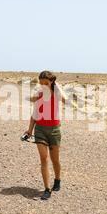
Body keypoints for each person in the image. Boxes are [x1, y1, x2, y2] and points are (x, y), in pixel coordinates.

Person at [22, 71, 74, 200]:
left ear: (51, 82)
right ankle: (47, 188)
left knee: (55, 159)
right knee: (44, 159)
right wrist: (29, 130)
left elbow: (65, 100)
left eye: (46, 83)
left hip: (54, 130)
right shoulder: (39, 95)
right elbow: (34, 113)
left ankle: (57, 179)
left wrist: (56, 86)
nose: (43, 85)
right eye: (41, 83)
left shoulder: (56, 93)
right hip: (40, 130)